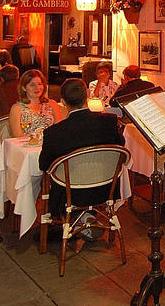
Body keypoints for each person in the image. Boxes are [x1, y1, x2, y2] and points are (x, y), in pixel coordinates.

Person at [39, 78, 124, 219]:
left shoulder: (55, 132)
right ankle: (85, 218)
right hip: (105, 188)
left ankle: (72, 220)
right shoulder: (109, 121)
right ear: (87, 95)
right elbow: (120, 147)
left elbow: (44, 165)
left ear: (63, 102)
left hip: (70, 193)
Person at [8, 68, 64, 138]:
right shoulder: (17, 108)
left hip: (51, 145)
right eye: (32, 85)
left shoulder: (52, 104)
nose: (37, 87)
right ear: (24, 88)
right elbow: (17, 136)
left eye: (40, 84)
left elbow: (60, 130)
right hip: (26, 146)